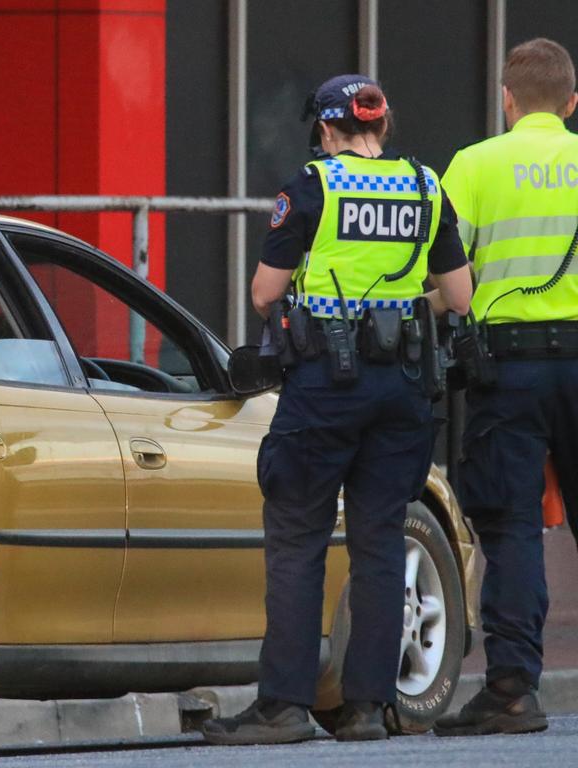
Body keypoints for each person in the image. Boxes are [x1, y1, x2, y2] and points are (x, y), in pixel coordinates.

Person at [201, 75, 472, 746]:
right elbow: (460, 296)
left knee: (298, 538)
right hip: (403, 385)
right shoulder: (425, 187)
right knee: (380, 541)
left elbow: (267, 291)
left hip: (326, 383)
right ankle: (368, 707)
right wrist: (400, 310)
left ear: (326, 131)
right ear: (381, 128)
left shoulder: (312, 187)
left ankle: (284, 705)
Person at [434, 37, 578, 738]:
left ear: (508, 98)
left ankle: (513, 688)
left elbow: (441, 270)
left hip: (508, 365)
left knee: (514, 525)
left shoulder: (474, 164)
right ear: (573, 103)